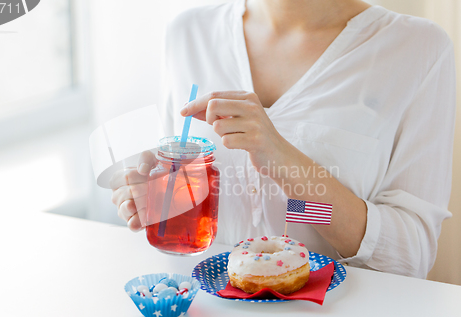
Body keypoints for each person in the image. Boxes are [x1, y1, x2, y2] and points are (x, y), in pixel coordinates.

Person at [110, 0, 456, 278]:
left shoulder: (417, 49)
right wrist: (162, 200)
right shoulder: (188, 34)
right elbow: (200, 204)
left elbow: (410, 256)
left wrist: (289, 167)